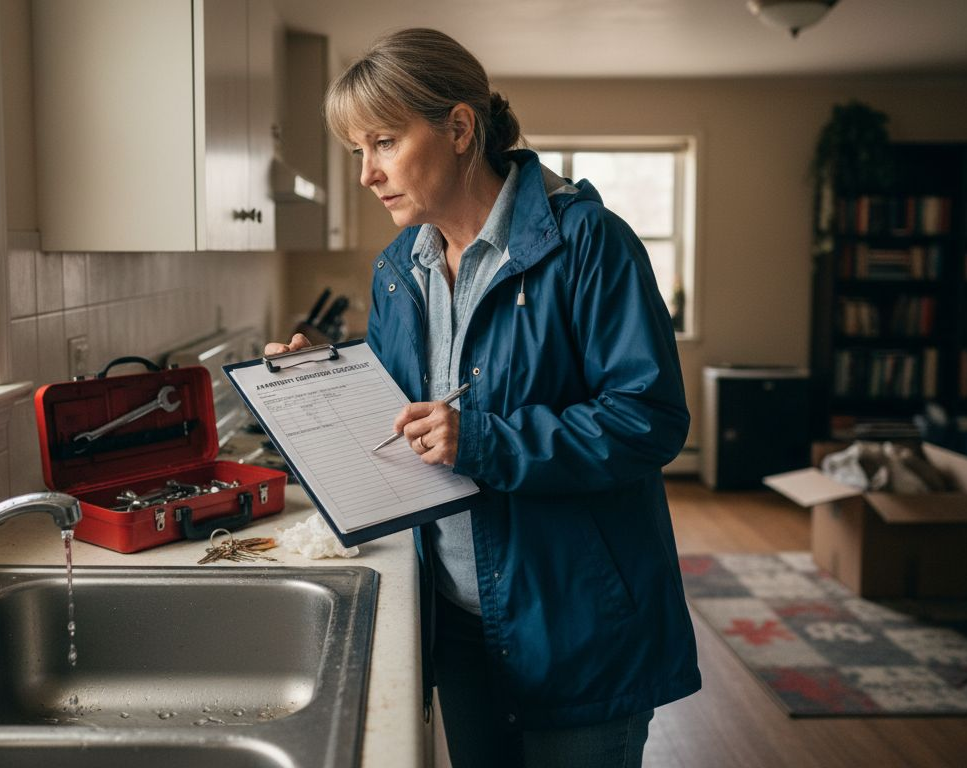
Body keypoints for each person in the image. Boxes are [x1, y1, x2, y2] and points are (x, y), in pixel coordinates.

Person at [264, 28, 698, 768]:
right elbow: (399, 423)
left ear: (460, 128)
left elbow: (648, 420)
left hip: (577, 625)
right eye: (358, 151)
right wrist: (317, 392)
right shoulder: (401, 267)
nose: (367, 174)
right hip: (457, 623)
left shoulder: (590, 244)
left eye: (384, 143)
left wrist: (485, 441)